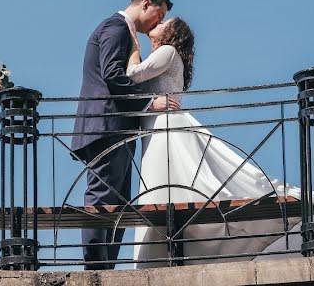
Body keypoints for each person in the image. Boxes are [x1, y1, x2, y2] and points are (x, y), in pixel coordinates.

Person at [126, 17, 294, 266]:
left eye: (164, 23)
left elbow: (133, 75)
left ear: (171, 33)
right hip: (157, 126)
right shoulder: (166, 54)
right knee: (165, 184)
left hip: (164, 125)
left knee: (169, 182)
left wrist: (133, 46)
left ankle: (169, 241)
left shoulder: (168, 51)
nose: (157, 24)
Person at [71, 0, 180, 270]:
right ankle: (96, 271)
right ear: (146, 4)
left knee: (119, 203)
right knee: (103, 198)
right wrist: (148, 103)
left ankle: (105, 269)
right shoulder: (116, 26)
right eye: (160, 14)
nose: (158, 23)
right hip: (107, 127)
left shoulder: (124, 33)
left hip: (116, 128)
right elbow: (111, 74)